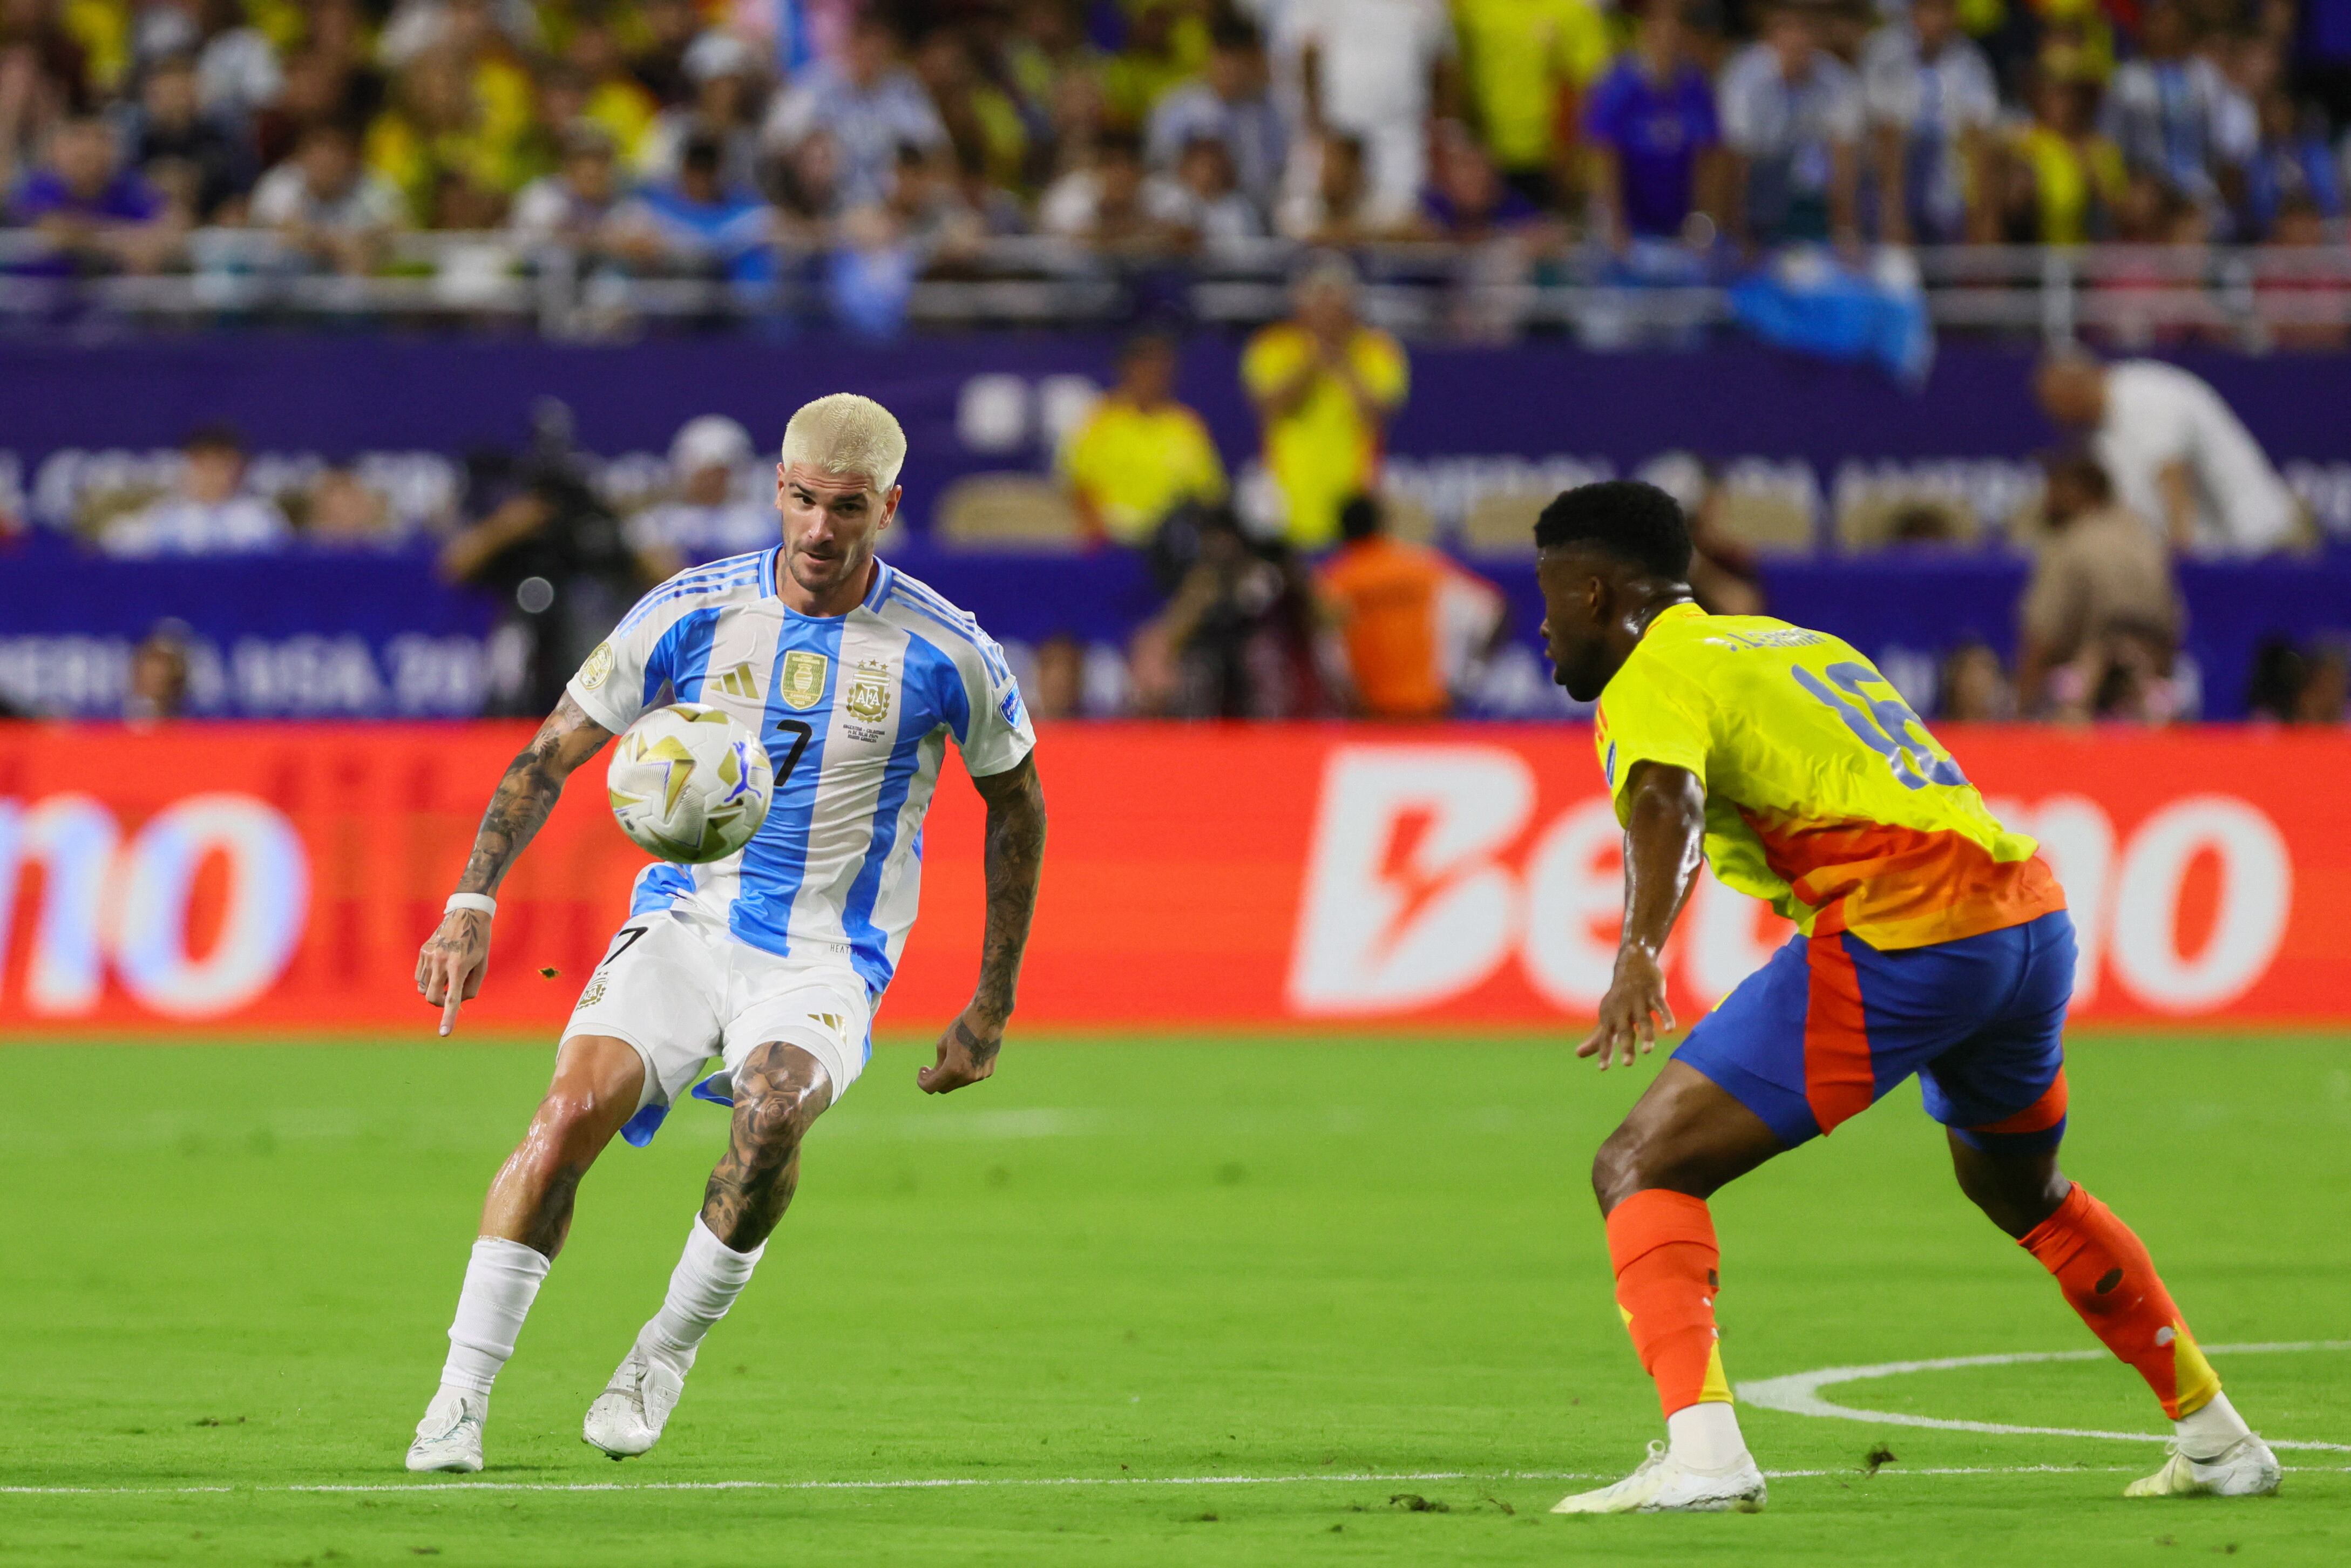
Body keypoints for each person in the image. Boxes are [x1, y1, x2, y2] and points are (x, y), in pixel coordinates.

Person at [1533, 479, 2278, 1514]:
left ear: (1599, 590)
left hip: (1907, 930)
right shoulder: (1799, 645)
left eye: (1551, 596)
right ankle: (2215, 1437)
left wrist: (1638, 951)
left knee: (1640, 1166)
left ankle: (1704, 1457)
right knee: (2022, 1190)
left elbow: (1669, 798)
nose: (1542, 624)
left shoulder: (1653, 669)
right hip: (2027, 920)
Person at [405, 393, 1047, 1475]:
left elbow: (1017, 803)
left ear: (886, 506)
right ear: (777, 488)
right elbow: (551, 752)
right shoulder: (690, 610)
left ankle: (664, 1349)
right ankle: (457, 1401)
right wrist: (470, 902)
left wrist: (991, 1000)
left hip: (824, 957)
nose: (816, 529)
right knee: (565, 1115)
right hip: (684, 923)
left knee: (769, 1116)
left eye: (845, 507)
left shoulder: (948, 653)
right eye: (799, 499)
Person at [2033, 349, 2299, 555]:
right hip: (2219, 552)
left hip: (2262, 542)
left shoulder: (2143, 397)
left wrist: (2181, 557)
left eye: (2056, 403)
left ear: (2074, 388)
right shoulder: (2095, 430)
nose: (2056, 416)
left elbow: (2173, 480)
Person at [1239, 255, 1409, 549]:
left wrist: (1342, 361)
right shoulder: (1272, 347)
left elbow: (1378, 412)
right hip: (1288, 496)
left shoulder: (1377, 350)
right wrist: (1314, 359)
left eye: (1338, 303)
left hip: (1355, 496)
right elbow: (1274, 407)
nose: (1329, 313)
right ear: (1301, 307)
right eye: (1320, 302)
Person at [2013, 452, 2181, 718]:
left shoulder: (2071, 541)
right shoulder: (2143, 534)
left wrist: (2019, 717)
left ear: (2084, 492)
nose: (2048, 502)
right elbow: (2173, 625)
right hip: (2154, 684)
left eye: (2056, 491)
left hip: (2091, 686)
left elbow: (2042, 639)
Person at [1315, 493, 1504, 719]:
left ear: (1340, 529)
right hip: (1429, 711)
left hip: (1371, 715)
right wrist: (1466, 680)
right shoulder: (1421, 566)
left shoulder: (1334, 582)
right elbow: (1497, 610)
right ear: (1382, 524)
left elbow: (1323, 650)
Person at [1057, 332, 1227, 547]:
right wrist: (1097, 527)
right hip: (1110, 539)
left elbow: (1209, 493)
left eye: (1161, 370)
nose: (1153, 377)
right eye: (1145, 367)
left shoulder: (1186, 426)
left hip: (1173, 542)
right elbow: (1076, 482)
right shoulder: (1099, 420)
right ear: (1127, 370)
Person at [1716, 1, 1862, 249]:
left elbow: (1844, 161)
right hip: (1760, 200)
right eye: (1789, 29)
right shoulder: (1744, 78)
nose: (1799, 39)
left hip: (1813, 205)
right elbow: (1736, 161)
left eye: (1806, 30)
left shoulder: (1837, 80)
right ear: (1771, 34)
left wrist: (1846, 231)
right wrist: (1741, 236)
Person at [1585, 0, 1724, 253]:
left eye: (1675, 31)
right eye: (1661, 30)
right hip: (1633, 215)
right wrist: (1616, 224)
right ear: (1646, 34)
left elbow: (1705, 161)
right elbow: (1607, 157)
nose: (1668, 40)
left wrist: (1701, 218)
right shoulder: (1619, 85)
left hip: (1677, 211)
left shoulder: (1696, 87)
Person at [1860, 0, 1998, 245]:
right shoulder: (1885, 50)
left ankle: (1975, 239)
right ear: (1913, 12)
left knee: (1982, 150)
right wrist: (1894, 215)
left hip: (1946, 176)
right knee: (1892, 135)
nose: (1939, 19)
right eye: (1930, 10)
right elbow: (1884, 127)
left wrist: (1983, 215)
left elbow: (1978, 130)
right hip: (1891, 171)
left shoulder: (1970, 58)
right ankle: (1893, 222)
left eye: (1945, 11)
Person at [1144, 17, 1285, 214]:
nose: (1233, 69)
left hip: (1255, 216)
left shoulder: (1270, 112)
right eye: (1226, 57)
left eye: (1243, 59)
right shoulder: (1177, 109)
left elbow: (1274, 175)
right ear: (1212, 56)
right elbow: (1158, 172)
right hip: (1188, 216)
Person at [100, 422, 290, 556]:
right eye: (204, 465)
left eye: (222, 465)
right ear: (188, 466)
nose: (212, 475)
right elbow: (115, 546)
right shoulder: (162, 520)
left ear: (239, 469)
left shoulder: (262, 523)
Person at [249, 119, 406, 275]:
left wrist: (372, 240)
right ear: (301, 154)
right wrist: (336, 245)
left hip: (359, 291)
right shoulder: (280, 184)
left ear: (354, 157)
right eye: (319, 149)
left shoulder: (376, 187)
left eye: (336, 150)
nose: (327, 160)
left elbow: (399, 229)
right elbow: (281, 227)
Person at [628, 414, 776, 564]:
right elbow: (655, 568)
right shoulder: (658, 522)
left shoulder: (758, 523)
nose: (711, 483)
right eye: (704, 475)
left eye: (719, 474)